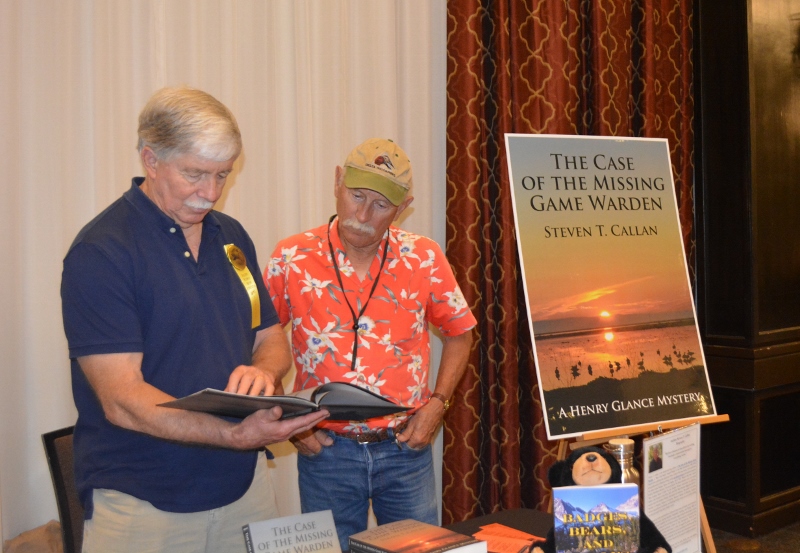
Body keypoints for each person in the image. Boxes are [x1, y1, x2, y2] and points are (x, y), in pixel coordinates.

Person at [60, 87, 329, 553]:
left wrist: (263, 371)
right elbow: (122, 400)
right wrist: (235, 434)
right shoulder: (102, 253)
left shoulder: (231, 238)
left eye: (222, 174)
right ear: (151, 159)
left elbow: (270, 336)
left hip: (243, 492)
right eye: (195, 174)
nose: (210, 193)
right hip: (144, 504)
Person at [265, 138, 477, 550]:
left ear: (403, 206)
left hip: (405, 450)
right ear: (337, 182)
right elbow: (260, 340)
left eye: (380, 205)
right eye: (356, 195)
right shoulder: (291, 256)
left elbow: (460, 334)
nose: (362, 214)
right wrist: (286, 420)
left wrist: (439, 404)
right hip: (325, 451)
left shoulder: (424, 258)